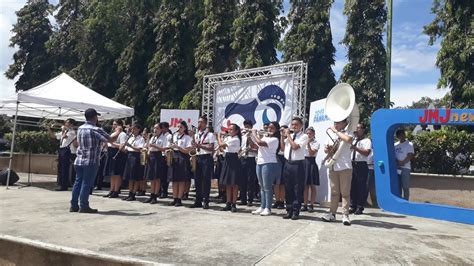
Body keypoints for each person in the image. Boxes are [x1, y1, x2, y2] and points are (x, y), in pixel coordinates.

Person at [70, 108, 121, 213]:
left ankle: (74, 205)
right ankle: (84, 206)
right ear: (94, 117)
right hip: (91, 160)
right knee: (86, 183)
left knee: (77, 182)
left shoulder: (80, 128)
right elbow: (110, 139)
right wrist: (118, 131)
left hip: (79, 159)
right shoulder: (95, 129)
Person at [321, 119, 354, 226]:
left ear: (344, 123)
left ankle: (345, 215)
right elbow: (326, 150)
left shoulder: (348, 131)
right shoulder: (330, 134)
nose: (335, 124)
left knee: (345, 193)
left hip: (345, 166)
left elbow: (349, 140)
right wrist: (328, 149)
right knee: (334, 192)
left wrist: (336, 132)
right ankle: (332, 213)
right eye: (335, 122)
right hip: (333, 166)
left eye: (338, 122)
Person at [280, 117, 309, 220]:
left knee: (297, 189)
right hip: (288, 164)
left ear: (301, 126)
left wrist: (288, 135)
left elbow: (295, 147)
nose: (293, 126)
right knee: (288, 188)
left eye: (296, 124)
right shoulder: (290, 136)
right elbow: (283, 149)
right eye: (292, 124)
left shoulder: (304, 136)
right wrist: (281, 135)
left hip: (298, 165)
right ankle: (289, 210)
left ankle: (296, 211)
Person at [251, 121, 281, 216]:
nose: (269, 129)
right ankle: (262, 206)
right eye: (268, 128)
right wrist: (249, 136)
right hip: (259, 162)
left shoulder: (275, 139)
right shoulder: (265, 137)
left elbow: (259, 142)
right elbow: (255, 146)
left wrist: (254, 133)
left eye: (272, 128)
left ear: (276, 130)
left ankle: (268, 208)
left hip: (269, 163)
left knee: (267, 187)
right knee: (262, 186)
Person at [191, 116, 216, 209]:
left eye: (201, 122)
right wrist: (193, 140)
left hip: (206, 158)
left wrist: (199, 145)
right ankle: (198, 200)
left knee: (206, 180)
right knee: (197, 179)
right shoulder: (197, 134)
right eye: (198, 122)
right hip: (198, 157)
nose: (199, 124)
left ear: (205, 124)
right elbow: (194, 146)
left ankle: (206, 200)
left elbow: (211, 148)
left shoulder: (210, 135)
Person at [217, 124, 242, 212]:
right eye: (229, 129)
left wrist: (219, 137)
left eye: (231, 129)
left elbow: (221, 144)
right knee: (228, 183)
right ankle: (228, 202)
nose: (229, 131)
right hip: (227, 158)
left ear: (236, 131)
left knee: (234, 183)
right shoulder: (229, 138)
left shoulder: (236, 139)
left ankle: (234, 203)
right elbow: (223, 148)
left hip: (233, 160)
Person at [168, 121, 193, 207]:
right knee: (174, 180)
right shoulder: (174, 136)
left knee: (181, 180)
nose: (178, 129)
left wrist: (178, 147)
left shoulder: (187, 138)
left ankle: (179, 198)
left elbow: (188, 150)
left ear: (184, 128)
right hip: (174, 157)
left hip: (182, 158)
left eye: (180, 127)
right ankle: (174, 198)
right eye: (177, 127)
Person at [349, 123, 372, 214]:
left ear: (363, 130)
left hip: (361, 165)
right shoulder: (353, 140)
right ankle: (352, 205)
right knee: (352, 186)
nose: (357, 130)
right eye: (356, 128)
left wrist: (355, 148)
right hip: (352, 164)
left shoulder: (367, 141)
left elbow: (367, 153)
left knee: (361, 186)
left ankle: (360, 206)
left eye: (358, 128)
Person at [50, 118, 77, 191]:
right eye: (65, 123)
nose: (65, 124)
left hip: (66, 150)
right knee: (60, 167)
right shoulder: (65, 131)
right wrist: (50, 129)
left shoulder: (72, 132)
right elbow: (54, 136)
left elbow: (65, 136)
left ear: (71, 124)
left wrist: (62, 130)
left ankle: (64, 185)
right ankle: (61, 183)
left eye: (67, 123)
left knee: (64, 168)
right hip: (61, 149)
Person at [103, 120, 128, 198]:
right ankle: (112, 190)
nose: (114, 126)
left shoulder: (122, 134)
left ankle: (116, 190)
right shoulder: (113, 133)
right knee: (112, 173)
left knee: (116, 173)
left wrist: (112, 143)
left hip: (117, 153)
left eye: (116, 125)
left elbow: (122, 146)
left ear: (120, 125)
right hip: (110, 152)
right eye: (113, 124)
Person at [121, 124, 146, 201]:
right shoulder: (130, 138)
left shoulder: (141, 139)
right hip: (129, 156)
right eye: (132, 129)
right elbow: (126, 149)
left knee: (135, 177)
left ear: (138, 129)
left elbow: (139, 149)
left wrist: (130, 146)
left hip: (136, 157)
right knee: (130, 177)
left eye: (134, 129)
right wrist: (123, 148)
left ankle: (133, 194)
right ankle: (130, 193)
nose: (132, 130)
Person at [143, 123, 167, 204]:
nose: (155, 130)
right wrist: (147, 139)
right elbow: (148, 146)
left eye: (157, 128)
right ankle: (151, 195)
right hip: (151, 156)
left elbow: (164, 149)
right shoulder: (153, 137)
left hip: (158, 156)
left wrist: (155, 146)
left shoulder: (164, 138)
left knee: (157, 178)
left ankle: (155, 196)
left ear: (161, 129)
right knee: (152, 178)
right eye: (154, 128)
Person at [239, 119, 258, 206]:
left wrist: (249, 136)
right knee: (242, 179)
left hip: (251, 158)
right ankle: (243, 199)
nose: (246, 128)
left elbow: (254, 147)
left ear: (251, 127)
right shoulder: (241, 136)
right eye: (245, 126)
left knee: (251, 180)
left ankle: (250, 199)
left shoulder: (254, 136)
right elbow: (240, 147)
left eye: (248, 126)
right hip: (243, 158)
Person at [302, 127, 320, 213]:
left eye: (310, 133)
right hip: (304, 162)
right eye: (307, 133)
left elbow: (312, 153)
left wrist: (308, 144)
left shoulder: (316, 143)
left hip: (311, 162)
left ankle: (311, 204)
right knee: (305, 185)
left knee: (312, 185)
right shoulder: (302, 141)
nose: (308, 135)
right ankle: (305, 204)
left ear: (314, 134)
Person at [394, 129, 414, 200]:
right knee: (398, 186)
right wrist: (397, 162)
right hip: (397, 168)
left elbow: (410, 155)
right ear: (397, 136)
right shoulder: (395, 145)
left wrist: (402, 162)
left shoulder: (409, 144)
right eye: (399, 135)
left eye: (402, 134)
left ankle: (406, 201)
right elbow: (393, 155)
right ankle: (399, 201)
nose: (401, 136)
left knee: (405, 186)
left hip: (406, 168)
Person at [273, 125, 287, 210]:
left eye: (284, 130)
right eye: (281, 130)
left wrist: (283, 136)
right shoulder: (275, 139)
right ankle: (277, 200)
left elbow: (283, 149)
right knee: (276, 183)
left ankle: (282, 201)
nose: (282, 132)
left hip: (284, 160)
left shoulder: (289, 138)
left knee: (282, 183)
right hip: (276, 159)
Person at [158, 122, 172, 198]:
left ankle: (164, 191)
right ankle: (159, 190)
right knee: (159, 175)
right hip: (159, 155)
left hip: (165, 156)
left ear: (166, 128)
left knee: (165, 175)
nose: (162, 129)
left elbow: (168, 147)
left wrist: (159, 148)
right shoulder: (160, 136)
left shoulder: (169, 136)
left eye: (163, 128)